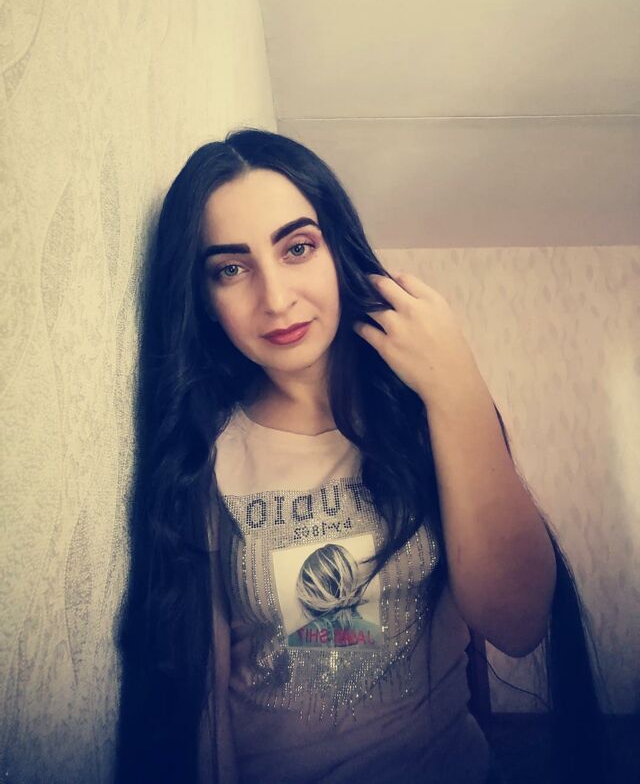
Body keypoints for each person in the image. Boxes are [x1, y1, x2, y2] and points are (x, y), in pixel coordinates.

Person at [116, 129, 612, 783]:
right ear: (203, 300)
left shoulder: (424, 414)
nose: (276, 298)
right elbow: (205, 704)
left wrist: (456, 384)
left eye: (297, 247)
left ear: (338, 250)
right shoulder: (204, 452)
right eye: (230, 268)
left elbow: (517, 623)